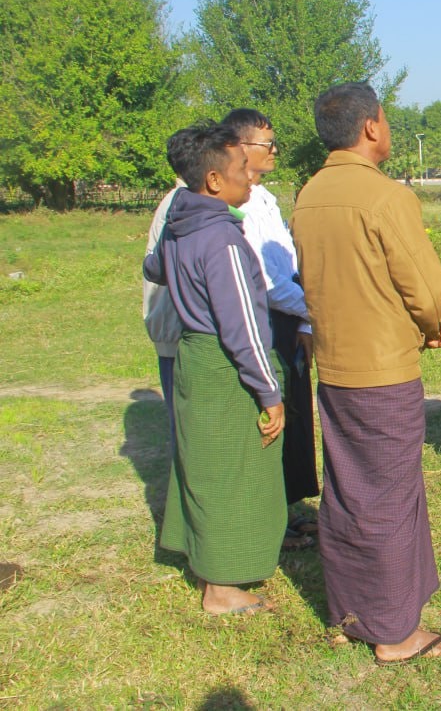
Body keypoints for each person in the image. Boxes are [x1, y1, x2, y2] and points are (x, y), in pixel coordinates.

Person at [291, 82, 441, 665]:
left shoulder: (309, 195)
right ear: (371, 127)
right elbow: (425, 284)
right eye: (386, 120)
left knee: (346, 490)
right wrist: (434, 323)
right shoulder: (385, 196)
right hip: (383, 371)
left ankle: (351, 612)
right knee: (389, 496)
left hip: (334, 366)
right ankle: (393, 632)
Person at [142, 121, 285, 615]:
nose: (250, 176)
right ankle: (222, 588)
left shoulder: (182, 223)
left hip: (193, 359)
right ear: (214, 180)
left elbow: (154, 267)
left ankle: (203, 560)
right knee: (233, 469)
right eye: (241, 167)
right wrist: (269, 392)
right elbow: (243, 327)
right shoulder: (221, 239)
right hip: (224, 366)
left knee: (202, 465)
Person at [222, 109, 318, 549]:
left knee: (295, 415)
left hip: (291, 317)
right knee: (270, 417)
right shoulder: (234, 202)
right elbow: (263, 279)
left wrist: (306, 318)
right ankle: (265, 521)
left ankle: (285, 509)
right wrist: (315, 311)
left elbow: (287, 264)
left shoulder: (264, 197)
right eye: (267, 144)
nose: (275, 150)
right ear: (240, 147)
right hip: (265, 320)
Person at [143, 174, 185, 455]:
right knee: (185, 429)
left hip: (177, 330)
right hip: (177, 334)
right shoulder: (180, 204)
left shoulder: (182, 201)